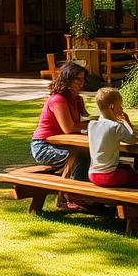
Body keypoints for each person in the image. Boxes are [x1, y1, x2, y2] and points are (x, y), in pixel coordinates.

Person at [30, 62, 92, 211]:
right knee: (80, 157)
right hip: (43, 146)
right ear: (67, 79)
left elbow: (81, 123)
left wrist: (97, 122)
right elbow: (69, 128)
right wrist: (95, 124)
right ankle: (72, 196)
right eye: (78, 79)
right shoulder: (58, 100)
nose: (82, 83)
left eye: (83, 79)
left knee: (91, 154)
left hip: (64, 144)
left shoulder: (78, 100)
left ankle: (82, 195)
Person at [88, 87, 138, 189]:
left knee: (126, 168)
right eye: (120, 106)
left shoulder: (92, 124)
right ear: (112, 107)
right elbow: (133, 139)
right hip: (108, 175)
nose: (122, 109)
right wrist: (127, 122)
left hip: (92, 173)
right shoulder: (116, 126)